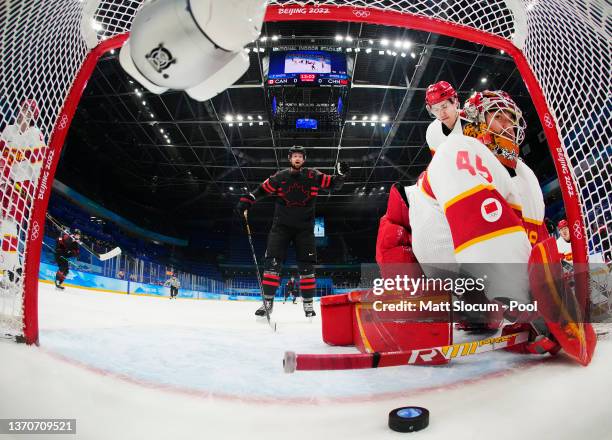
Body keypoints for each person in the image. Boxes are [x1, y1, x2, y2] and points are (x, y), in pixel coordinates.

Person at [236, 145, 349, 318]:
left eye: (300, 156)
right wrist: (247, 200)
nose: (297, 158)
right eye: (294, 156)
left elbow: (333, 184)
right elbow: (261, 190)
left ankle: (308, 305)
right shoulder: (280, 176)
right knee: (272, 264)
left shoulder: (313, 175)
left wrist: (341, 176)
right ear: (290, 159)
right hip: (280, 227)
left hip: (304, 229)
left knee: (307, 267)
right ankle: (268, 302)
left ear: (304, 159)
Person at [0, 99, 46, 281]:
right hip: (5, 182)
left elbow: (38, 165)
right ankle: (16, 268)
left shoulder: (35, 134)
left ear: (34, 115)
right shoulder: (9, 130)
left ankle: (8, 270)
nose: (24, 111)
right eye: (23, 107)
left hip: (21, 186)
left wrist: (31, 190)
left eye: (29, 109)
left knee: (9, 224)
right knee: (3, 225)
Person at [424, 81, 463, 156]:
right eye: (436, 110)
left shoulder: (473, 120)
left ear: (455, 101)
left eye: (444, 106)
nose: (441, 114)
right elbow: (438, 161)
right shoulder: (432, 131)